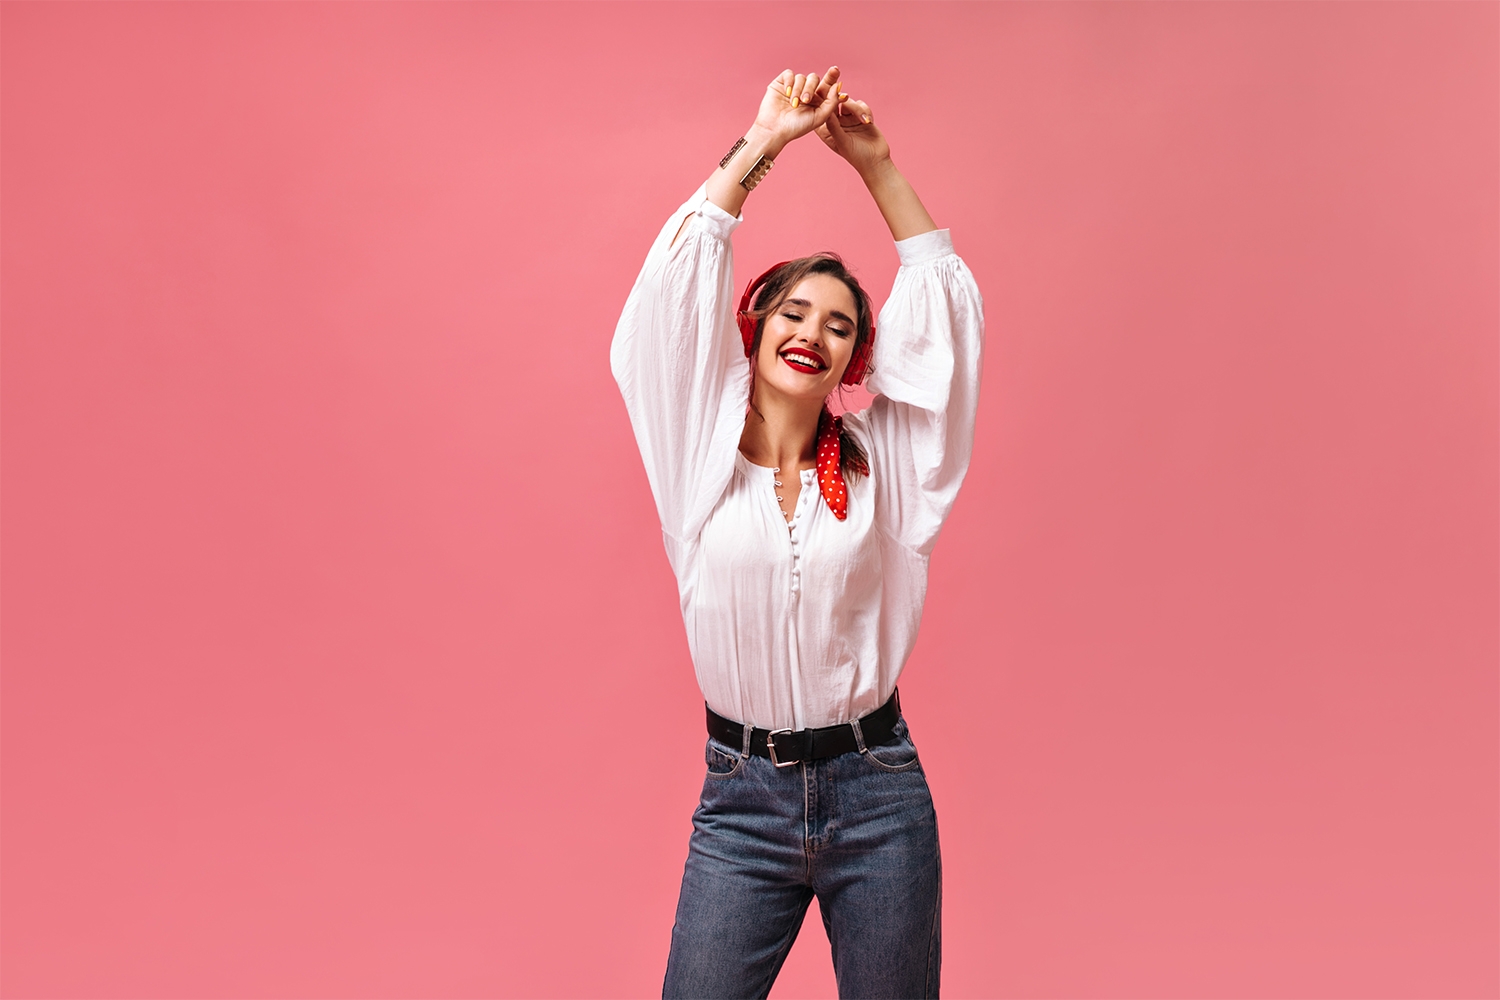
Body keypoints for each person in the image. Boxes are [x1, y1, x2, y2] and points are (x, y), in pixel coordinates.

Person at [611, 65, 984, 999]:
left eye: (840, 324)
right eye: (795, 310)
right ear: (755, 323)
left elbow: (945, 322)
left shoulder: (878, 463)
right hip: (740, 805)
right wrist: (766, 140)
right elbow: (670, 292)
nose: (813, 331)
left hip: (878, 791)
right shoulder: (696, 454)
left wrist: (877, 164)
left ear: (859, 356)